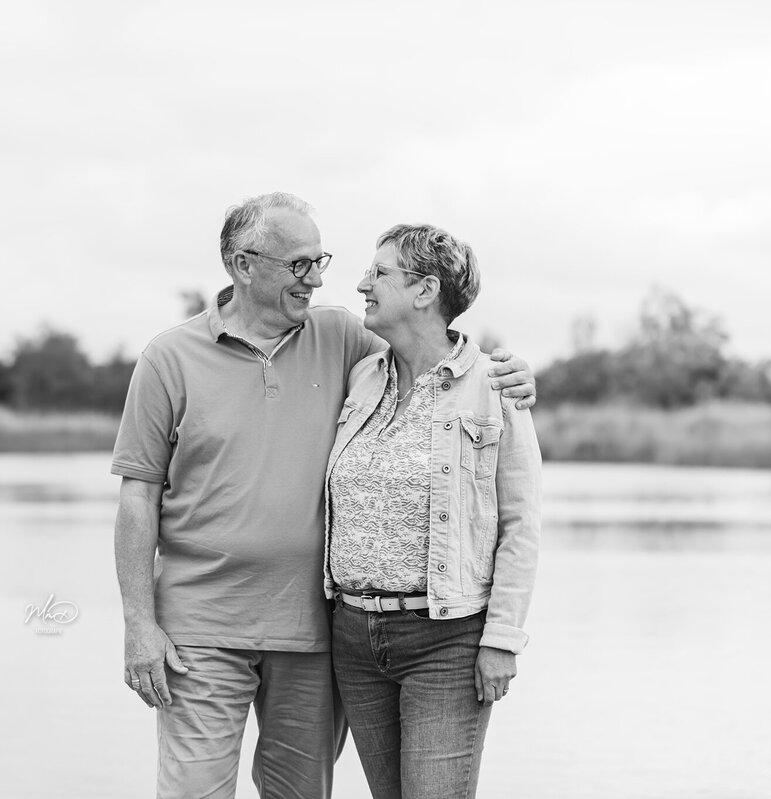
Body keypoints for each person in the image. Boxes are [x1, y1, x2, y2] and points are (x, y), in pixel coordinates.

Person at [111, 194, 537, 799]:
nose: (318, 279)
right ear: (242, 265)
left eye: (320, 261)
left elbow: (436, 360)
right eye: (299, 264)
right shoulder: (168, 358)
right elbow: (137, 498)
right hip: (198, 628)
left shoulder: (342, 338)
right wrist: (138, 624)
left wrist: (511, 372)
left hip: (313, 629)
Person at [324, 223, 542, 798]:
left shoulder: (495, 388)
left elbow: (521, 526)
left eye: (379, 273)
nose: (363, 283)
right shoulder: (362, 379)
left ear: (425, 290)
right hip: (353, 636)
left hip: (446, 640)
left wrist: (502, 638)